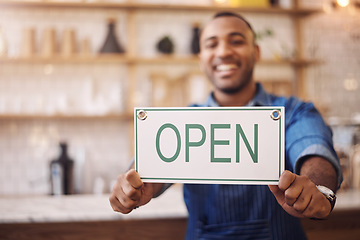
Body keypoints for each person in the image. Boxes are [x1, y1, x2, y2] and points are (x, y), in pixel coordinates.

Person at [109, 12, 342, 240]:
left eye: (237, 41)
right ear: (201, 58)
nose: (223, 52)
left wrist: (316, 188)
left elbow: (313, 147)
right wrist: (136, 186)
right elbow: (154, 164)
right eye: (212, 44)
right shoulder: (186, 119)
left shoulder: (295, 112)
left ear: (256, 52)